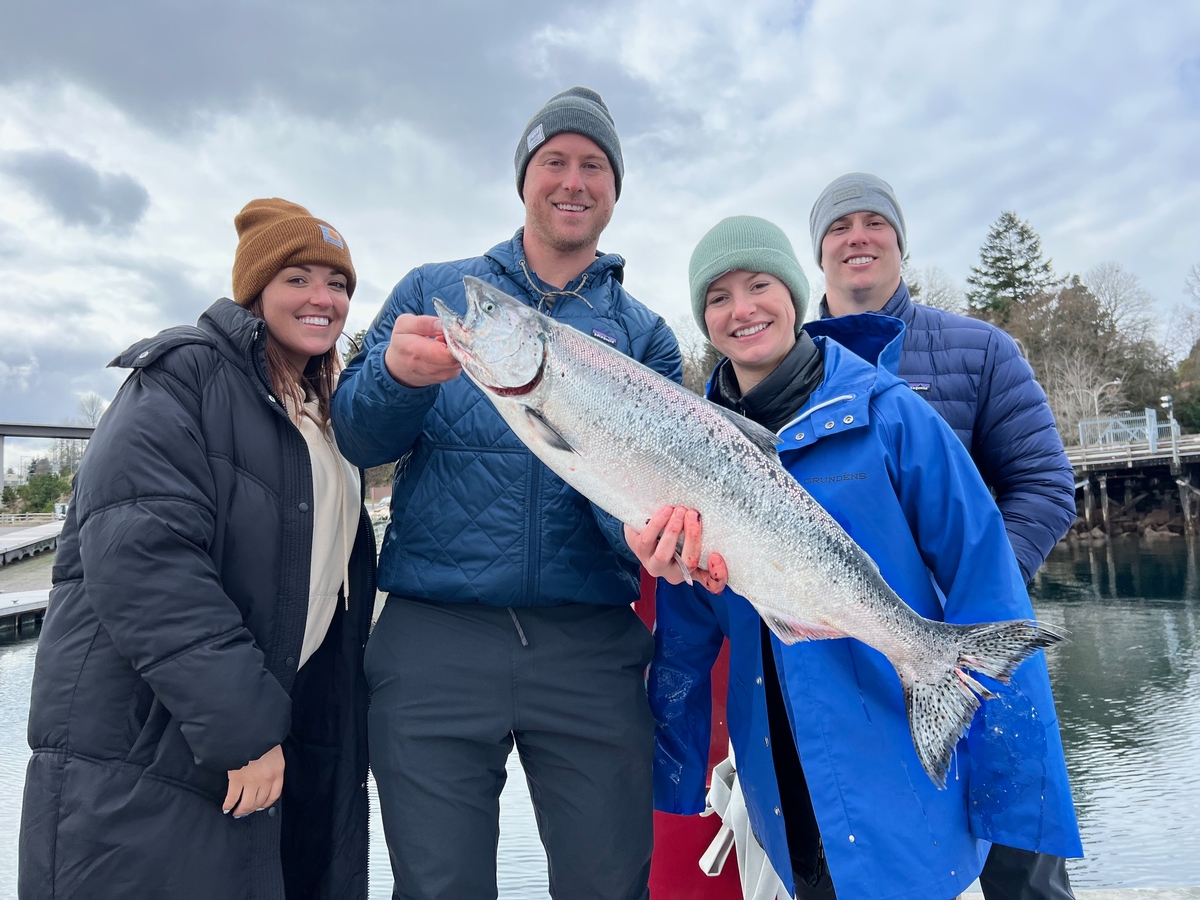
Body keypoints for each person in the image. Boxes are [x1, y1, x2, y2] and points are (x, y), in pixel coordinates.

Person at [635, 216, 1081, 900]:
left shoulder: (889, 413)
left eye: (759, 284)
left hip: (889, 757)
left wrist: (1015, 778)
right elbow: (691, 628)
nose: (743, 308)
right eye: (718, 297)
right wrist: (678, 763)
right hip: (776, 764)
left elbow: (983, 573)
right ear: (703, 318)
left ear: (793, 291)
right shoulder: (686, 441)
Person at [330, 87, 681, 899]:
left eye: (594, 165)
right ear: (524, 178)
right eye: (553, 160)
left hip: (590, 647)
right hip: (433, 641)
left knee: (609, 883)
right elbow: (357, 435)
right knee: (439, 886)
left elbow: (638, 491)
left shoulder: (646, 338)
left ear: (614, 190)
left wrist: (638, 528)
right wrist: (392, 379)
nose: (573, 180)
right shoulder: (437, 292)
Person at [19, 199, 375, 900]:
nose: (322, 298)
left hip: (270, 735)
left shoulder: (320, 412)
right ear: (255, 288)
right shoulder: (184, 379)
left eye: (338, 283)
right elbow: (145, 559)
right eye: (298, 277)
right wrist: (244, 731)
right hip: (154, 744)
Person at [810, 173, 1080, 898]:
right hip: (848, 671)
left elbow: (1048, 487)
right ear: (818, 253)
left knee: (1022, 867)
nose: (857, 237)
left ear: (900, 242)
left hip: (983, 656)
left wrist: (973, 594)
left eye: (874, 222)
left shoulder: (981, 350)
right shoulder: (787, 371)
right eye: (839, 227)